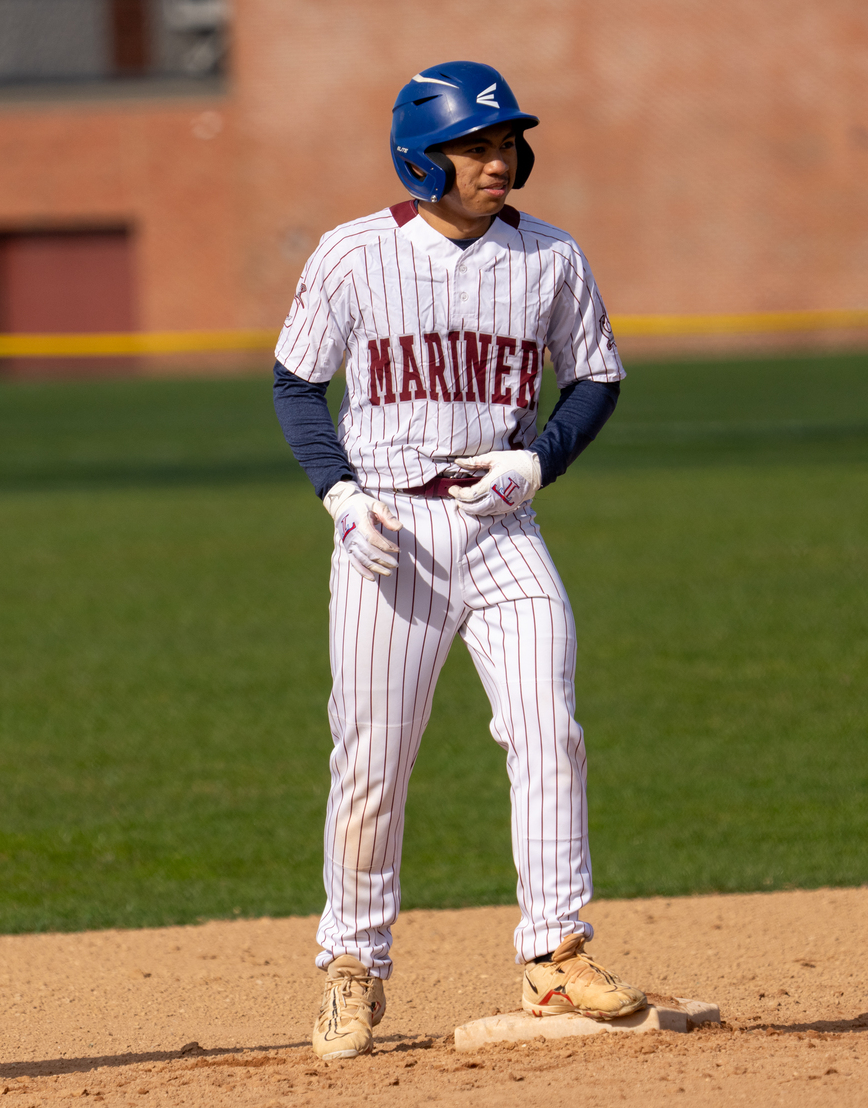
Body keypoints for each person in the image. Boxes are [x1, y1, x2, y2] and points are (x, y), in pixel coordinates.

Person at [272, 61, 647, 1057]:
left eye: (506, 144)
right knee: (373, 759)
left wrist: (538, 460)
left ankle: (558, 950)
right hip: (386, 533)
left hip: (498, 526)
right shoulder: (354, 255)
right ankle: (352, 964)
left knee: (548, 726)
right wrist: (340, 495)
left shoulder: (551, 257)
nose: (499, 161)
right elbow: (297, 384)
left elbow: (596, 378)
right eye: (476, 147)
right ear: (419, 157)